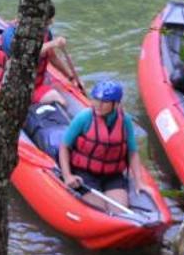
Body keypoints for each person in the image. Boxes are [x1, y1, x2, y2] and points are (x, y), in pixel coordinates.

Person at [57, 78, 137, 212]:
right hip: (85, 173)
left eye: (104, 102)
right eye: (96, 100)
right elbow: (64, 147)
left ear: (116, 104)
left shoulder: (125, 120)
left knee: (120, 211)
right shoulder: (84, 117)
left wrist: (139, 182)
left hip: (112, 175)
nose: (98, 105)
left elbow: (132, 152)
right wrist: (67, 176)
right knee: (100, 210)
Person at [0, 22, 83, 106]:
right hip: (12, 88)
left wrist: (71, 77)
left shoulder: (46, 34)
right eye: (47, 20)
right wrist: (53, 43)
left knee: (61, 102)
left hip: (34, 88)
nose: (51, 22)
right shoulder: (11, 34)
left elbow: (53, 58)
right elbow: (24, 54)